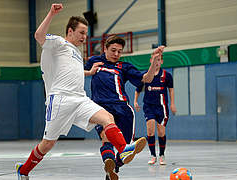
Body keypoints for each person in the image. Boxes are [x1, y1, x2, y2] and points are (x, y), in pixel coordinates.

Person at [15, 4, 144, 180]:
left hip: (80, 99)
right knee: (47, 144)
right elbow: (38, 35)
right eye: (82, 32)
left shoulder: (76, 52)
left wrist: (89, 73)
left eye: (86, 33)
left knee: (108, 118)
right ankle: (23, 170)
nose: (85, 36)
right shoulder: (58, 43)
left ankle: (123, 150)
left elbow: (70, 71)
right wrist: (52, 13)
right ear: (70, 31)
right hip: (60, 99)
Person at [84, 35, 164, 179]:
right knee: (105, 137)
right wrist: (89, 72)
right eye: (113, 50)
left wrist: (154, 62)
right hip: (101, 108)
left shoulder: (124, 67)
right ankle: (109, 166)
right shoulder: (94, 61)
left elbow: (147, 79)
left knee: (126, 150)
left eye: (119, 51)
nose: (116, 54)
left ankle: (114, 166)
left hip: (123, 110)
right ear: (105, 49)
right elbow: (75, 73)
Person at [134, 54, 176, 165]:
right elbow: (138, 89)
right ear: (150, 61)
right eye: (154, 59)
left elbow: (171, 90)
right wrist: (135, 101)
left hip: (162, 107)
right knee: (150, 130)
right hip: (149, 106)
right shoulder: (146, 75)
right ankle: (153, 155)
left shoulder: (167, 76)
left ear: (161, 61)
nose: (156, 62)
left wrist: (172, 104)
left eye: (158, 60)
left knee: (161, 132)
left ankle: (162, 155)